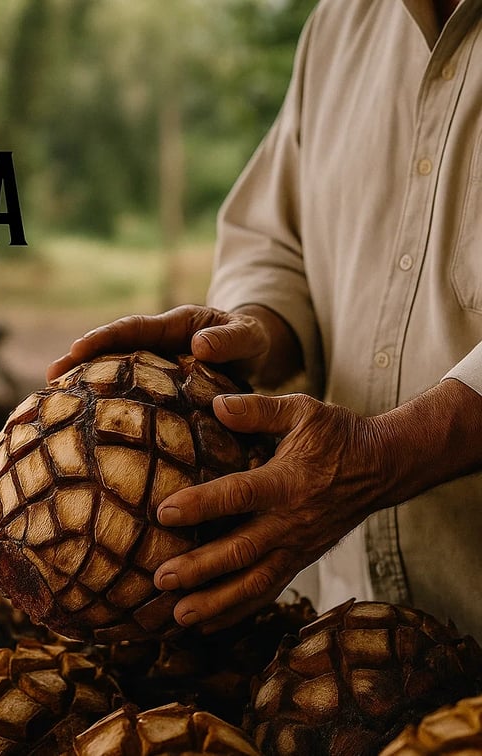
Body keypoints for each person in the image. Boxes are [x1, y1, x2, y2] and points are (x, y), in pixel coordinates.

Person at [46, 0, 482, 637]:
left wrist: (385, 454)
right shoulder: (342, 23)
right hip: (346, 638)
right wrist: (253, 332)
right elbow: (274, 242)